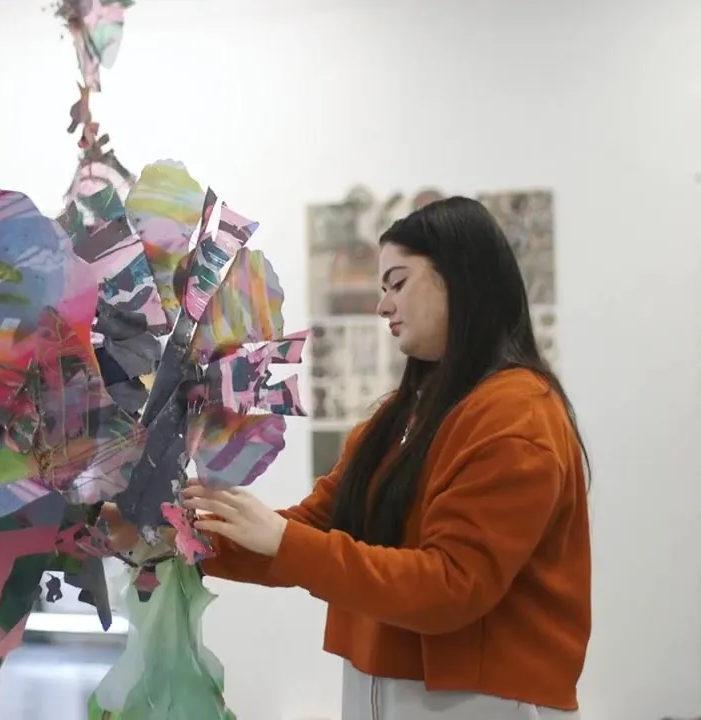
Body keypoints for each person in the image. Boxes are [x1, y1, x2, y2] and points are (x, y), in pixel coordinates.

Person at [102, 196, 591, 719]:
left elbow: (452, 586)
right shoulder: (399, 420)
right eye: (383, 289)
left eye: (398, 283)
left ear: (460, 278)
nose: (383, 306)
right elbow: (313, 527)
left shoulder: (517, 416)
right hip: (381, 692)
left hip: (478, 700)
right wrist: (169, 534)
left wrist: (284, 539)